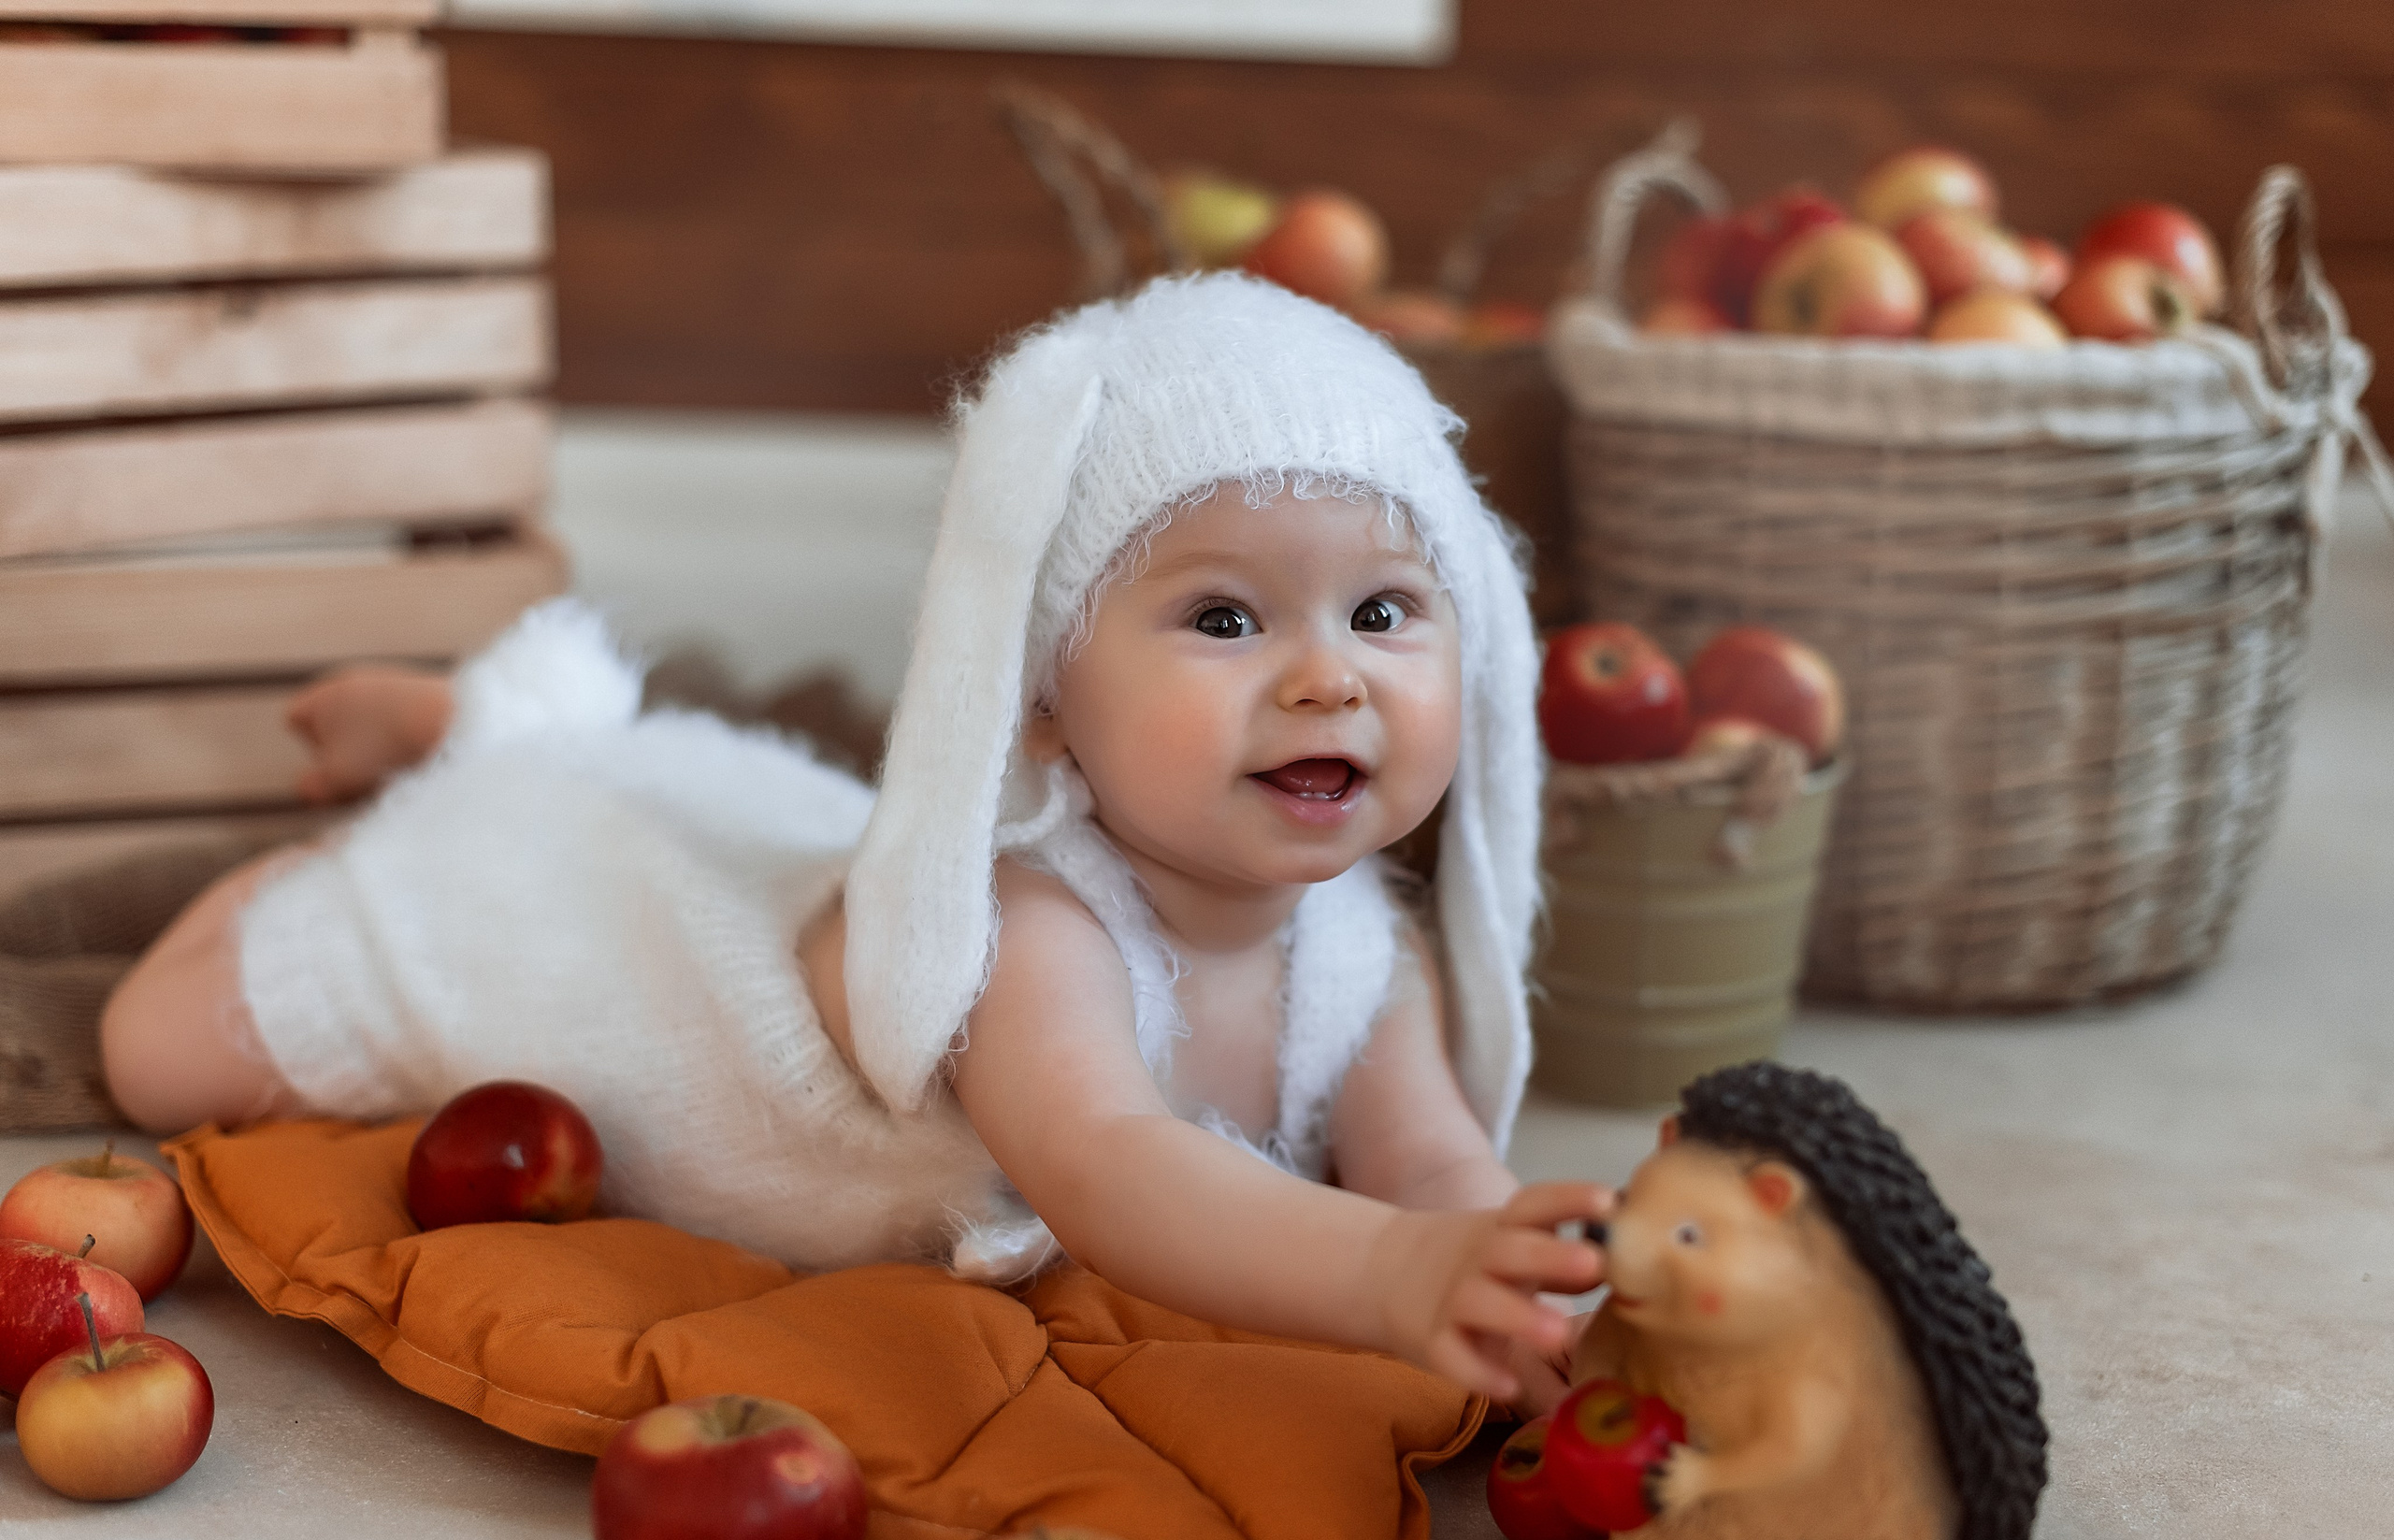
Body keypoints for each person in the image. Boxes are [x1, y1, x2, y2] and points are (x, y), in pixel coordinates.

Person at [101, 273, 1608, 1407]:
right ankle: (459, 769)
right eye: (1226, 616)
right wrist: (1389, 1273)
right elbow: (1109, 1166)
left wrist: (1538, 1295)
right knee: (158, 1048)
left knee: (705, 777)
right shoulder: (1032, 938)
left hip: (757, 828)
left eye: (1384, 611)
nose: (1328, 675)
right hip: (595, 924)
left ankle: (504, 722)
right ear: (1036, 702)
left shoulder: (1364, 949)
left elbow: (1431, 1163)